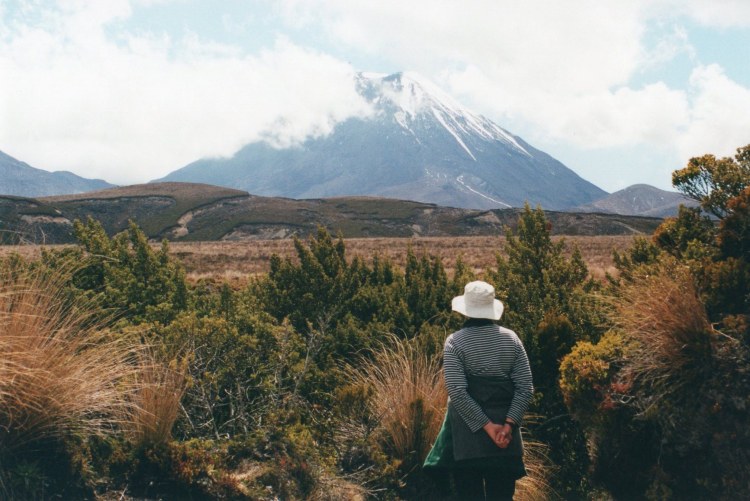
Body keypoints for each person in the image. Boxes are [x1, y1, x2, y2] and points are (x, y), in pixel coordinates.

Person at [424, 280, 534, 501]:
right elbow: (525, 388)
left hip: (467, 440)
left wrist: (486, 426)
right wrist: (507, 426)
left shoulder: (455, 342)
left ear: (466, 309)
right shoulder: (512, 339)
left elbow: (457, 392)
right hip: (506, 442)